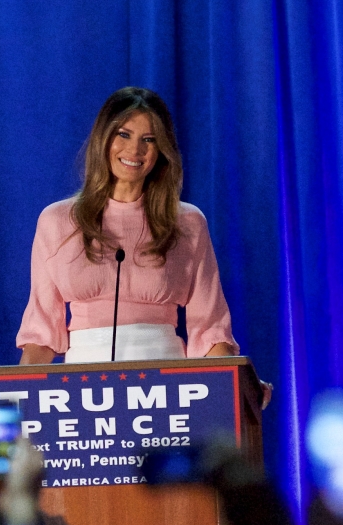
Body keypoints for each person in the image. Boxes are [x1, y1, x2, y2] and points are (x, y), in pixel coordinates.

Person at [17, 87, 238, 364]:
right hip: (82, 384)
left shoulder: (188, 223)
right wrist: (19, 397)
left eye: (150, 139)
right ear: (103, 138)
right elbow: (42, 333)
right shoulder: (57, 221)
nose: (135, 150)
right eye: (124, 135)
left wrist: (237, 385)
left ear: (161, 150)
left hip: (167, 381)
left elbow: (210, 329)